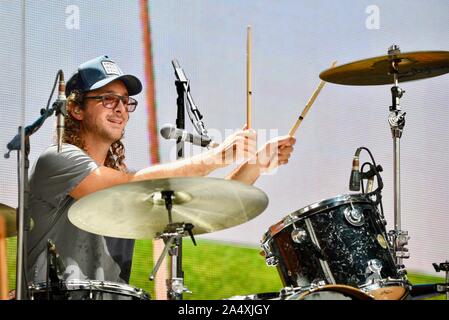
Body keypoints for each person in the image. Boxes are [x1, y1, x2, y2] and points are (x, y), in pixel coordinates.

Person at [26, 55, 295, 297]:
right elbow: (125, 185)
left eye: (125, 101)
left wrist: (257, 164)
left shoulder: (121, 182)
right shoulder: (57, 159)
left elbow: (210, 209)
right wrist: (216, 158)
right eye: (108, 99)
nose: (120, 108)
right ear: (76, 109)